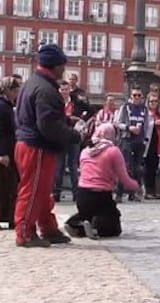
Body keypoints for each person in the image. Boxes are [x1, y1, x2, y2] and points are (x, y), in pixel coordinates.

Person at [14, 44, 81, 247]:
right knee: (33, 190)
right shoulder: (46, 90)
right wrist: (73, 135)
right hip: (38, 147)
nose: (64, 69)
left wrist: (65, 120)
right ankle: (24, 233)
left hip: (28, 143)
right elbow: (47, 126)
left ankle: (49, 228)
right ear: (56, 65)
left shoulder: (32, 83)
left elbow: (39, 117)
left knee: (42, 190)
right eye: (62, 65)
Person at [65, 124, 140, 239]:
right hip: (101, 194)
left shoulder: (86, 150)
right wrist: (136, 186)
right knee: (114, 225)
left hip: (82, 194)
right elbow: (124, 178)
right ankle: (95, 229)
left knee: (86, 214)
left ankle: (75, 224)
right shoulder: (113, 151)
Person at [114, 87, 147, 202]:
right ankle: (119, 193)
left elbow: (146, 124)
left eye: (139, 95)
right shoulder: (125, 107)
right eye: (135, 95)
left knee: (137, 168)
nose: (137, 98)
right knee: (126, 167)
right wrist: (129, 128)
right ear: (131, 96)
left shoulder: (144, 109)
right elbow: (117, 123)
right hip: (126, 139)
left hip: (139, 141)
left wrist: (145, 139)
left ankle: (134, 193)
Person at [53, 80, 81, 202]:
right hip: (59, 138)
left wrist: (80, 123)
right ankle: (56, 193)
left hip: (73, 137)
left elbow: (88, 112)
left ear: (69, 90)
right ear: (59, 91)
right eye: (62, 89)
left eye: (66, 89)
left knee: (73, 166)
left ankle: (76, 193)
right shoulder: (55, 103)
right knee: (58, 166)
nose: (64, 92)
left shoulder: (76, 103)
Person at [0, 77, 20, 229]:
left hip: (10, 151)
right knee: (6, 186)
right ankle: (7, 216)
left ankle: (10, 216)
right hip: (5, 152)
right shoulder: (2, 106)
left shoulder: (7, 106)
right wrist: (2, 153)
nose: (17, 93)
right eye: (15, 90)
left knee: (10, 186)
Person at [143, 91, 160, 200]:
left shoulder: (159, 113)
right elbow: (144, 125)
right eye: (151, 101)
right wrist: (154, 123)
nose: (153, 103)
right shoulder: (145, 113)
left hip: (157, 142)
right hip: (147, 143)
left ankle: (152, 190)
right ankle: (147, 190)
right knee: (147, 167)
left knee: (154, 166)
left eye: (155, 101)